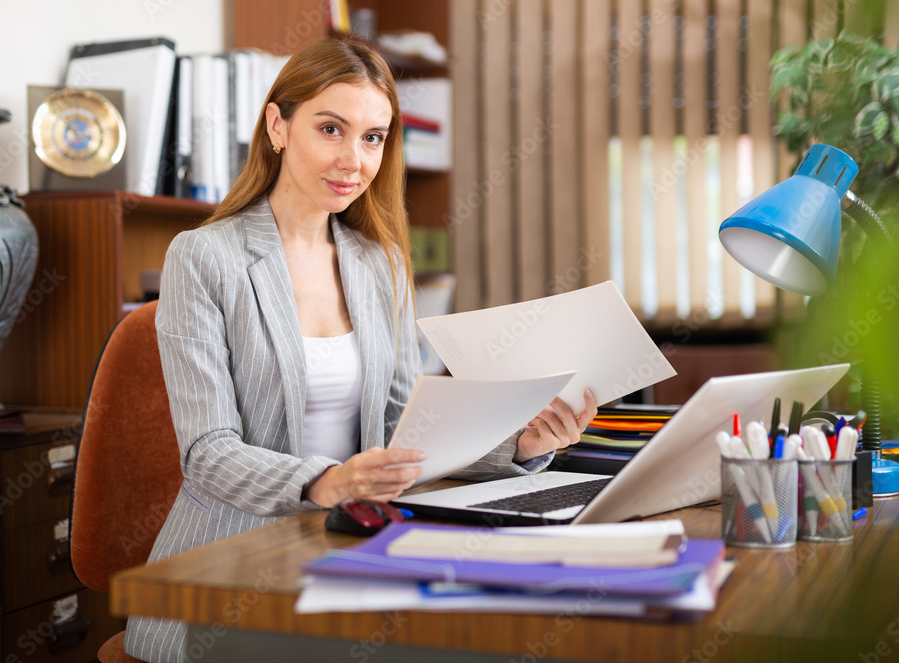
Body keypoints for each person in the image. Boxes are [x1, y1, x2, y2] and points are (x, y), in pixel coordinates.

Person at [124, 36, 597, 663]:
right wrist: (327, 480)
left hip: (346, 548)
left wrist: (520, 446)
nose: (354, 158)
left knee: (505, 637)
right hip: (230, 566)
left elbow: (409, 428)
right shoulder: (205, 257)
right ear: (277, 126)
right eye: (331, 128)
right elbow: (208, 453)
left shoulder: (379, 265)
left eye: (373, 137)